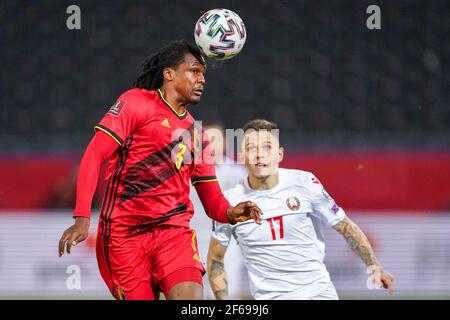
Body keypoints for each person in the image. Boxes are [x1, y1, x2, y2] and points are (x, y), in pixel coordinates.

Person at [57, 40, 262, 300]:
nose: (202, 80)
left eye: (203, 74)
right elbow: (94, 155)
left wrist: (231, 212)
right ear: (169, 73)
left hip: (173, 234)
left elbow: (212, 201)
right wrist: (82, 218)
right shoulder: (135, 104)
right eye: (194, 71)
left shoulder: (197, 136)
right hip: (124, 237)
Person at [207, 119, 394, 300]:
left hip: (320, 295)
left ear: (279, 154)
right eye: (251, 148)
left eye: (267, 147)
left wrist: (374, 266)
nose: (259, 154)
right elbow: (216, 258)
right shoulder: (229, 202)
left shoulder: (304, 183)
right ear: (241, 157)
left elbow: (345, 226)